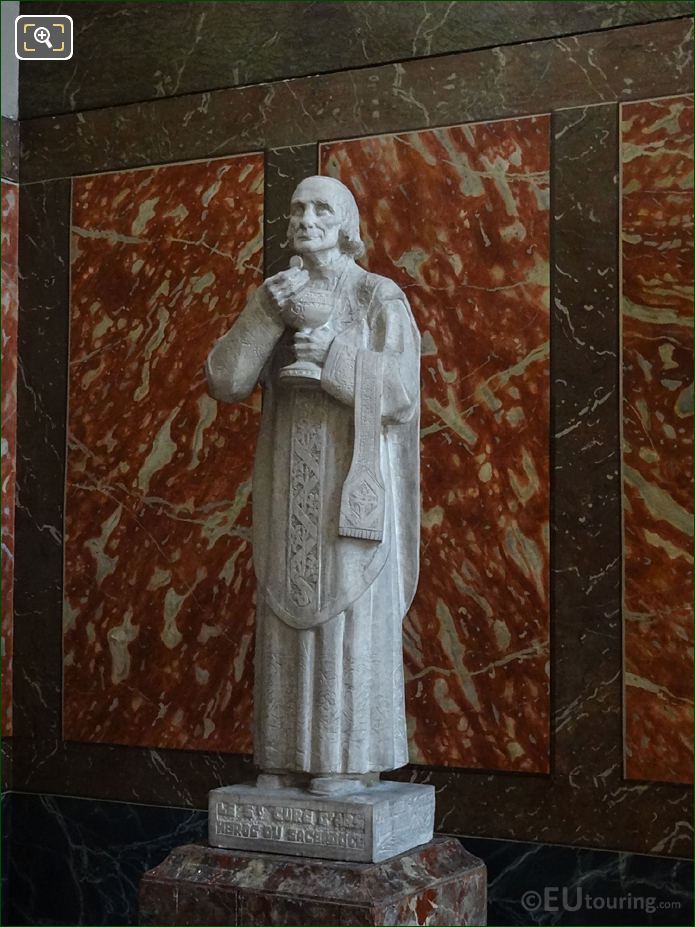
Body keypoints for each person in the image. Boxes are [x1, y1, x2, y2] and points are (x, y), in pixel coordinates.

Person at [206, 175, 420, 794]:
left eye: (322, 208)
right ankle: (280, 755)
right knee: (285, 606)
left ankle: (342, 760)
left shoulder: (379, 297)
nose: (306, 218)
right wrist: (263, 314)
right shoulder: (278, 294)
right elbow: (224, 380)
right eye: (297, 207)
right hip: (285, 486)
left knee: (345, 614)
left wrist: (334, 356)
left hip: (349, 487)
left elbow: (403, 394)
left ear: (346, 224)